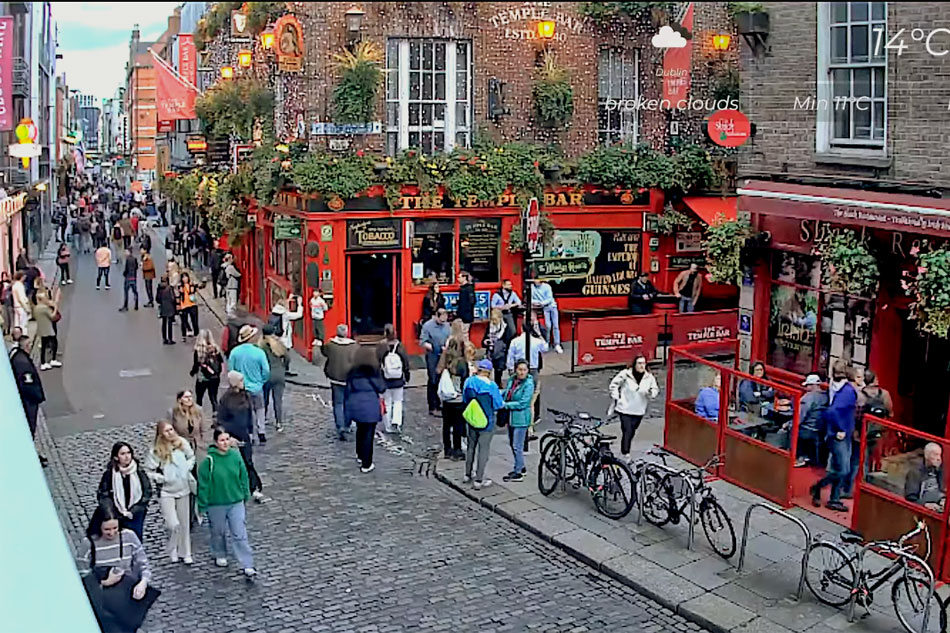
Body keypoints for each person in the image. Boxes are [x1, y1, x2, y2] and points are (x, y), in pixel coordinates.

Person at [80, 501, 158, 633]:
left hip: (126, 602)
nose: (111, 533)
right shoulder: (89, 544)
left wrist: (143, 583)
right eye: (107, 530)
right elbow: (81, 575)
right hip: (104, 607)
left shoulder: (129, 537)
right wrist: (105, 583)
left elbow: (143, 564)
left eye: (115, 528)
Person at [196, 426, 257, 578]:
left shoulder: (236, 456)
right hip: (216, 503)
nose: (225, 443)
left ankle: (247, 563)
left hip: (235, 501)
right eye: (222, 440)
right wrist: (202, 504)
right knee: (218, 531)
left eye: (227, 439)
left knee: (239, 533)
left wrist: (245, 493)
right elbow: (203, 485)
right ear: (216, 442)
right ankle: (219, 552)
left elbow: (243, 475)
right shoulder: (208, 462)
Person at [144, 420, 195, 564]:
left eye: (171, 429)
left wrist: (187, 468)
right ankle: (172, 548)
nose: (171, 433)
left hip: (183, 488)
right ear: (161, 434)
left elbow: (191, 457)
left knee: (184, 523)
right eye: (167, 431)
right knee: (173, 524)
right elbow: (149, 470)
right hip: (167, 491)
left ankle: (185, 552)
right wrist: (161, 478)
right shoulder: (156, 450)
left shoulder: (182, 443)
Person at [810, 361, 857, 513]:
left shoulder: (834, 386)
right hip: (840, 434)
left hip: (836, 433)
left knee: (842, 467)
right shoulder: (848, 391)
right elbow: (832, 411)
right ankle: (818, 487)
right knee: (843, 470)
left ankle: (834, 499)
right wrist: (841, 428)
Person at [843, 368, 894, 496]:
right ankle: (867, 489)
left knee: (858, 462)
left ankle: (851, 490)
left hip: (862, 433)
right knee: (875, 460)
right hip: (878, 432)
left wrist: (855, 432)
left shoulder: (859, 395)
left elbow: (854, 416)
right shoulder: (885, 394)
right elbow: (890, 412)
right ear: (875, 380)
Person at [218, 371, 264, 500]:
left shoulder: (246, 395)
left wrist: (251, 431)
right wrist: (227, 436)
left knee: (248, 461)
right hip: (232, 434)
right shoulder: (226, 399)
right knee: (233, 462)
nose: (243, 383)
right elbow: (221, 420)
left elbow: (250, 414)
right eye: (241, 381)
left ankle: (254, 487)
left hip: (244, 434)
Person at [97, 442, 153, 541]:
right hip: (117, 514)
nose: (127, 456)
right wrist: (111, 511)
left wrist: (135, 510)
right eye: (123, 454)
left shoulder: (138, 471)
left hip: (136, 514)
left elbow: (146, 492)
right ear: (116, 457)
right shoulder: (110, 474)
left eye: (128, 453)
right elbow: (103, 494)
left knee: (136, 538)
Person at [462, 359, 504, 490]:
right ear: (489, 372)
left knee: (470, 447)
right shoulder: (492, 386)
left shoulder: (469, 382)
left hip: (472, 419)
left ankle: (467, 474)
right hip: (487, 421)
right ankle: (479, 480)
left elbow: (465, 398)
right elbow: (498, 404)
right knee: (483, 450)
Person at [345, 347, 387, 473]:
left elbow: (348, 390)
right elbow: (381, 388)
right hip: (370, 405)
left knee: (360, 430)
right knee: (369, 433)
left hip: (356, 404)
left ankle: (360, 455)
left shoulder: (352, 372)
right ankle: (366, 463)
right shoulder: (374, 372)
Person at [9, 333, 49, 467]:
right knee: (29, 428)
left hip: (25, 401)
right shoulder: (23, 362)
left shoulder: (17, 356)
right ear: (26, 346)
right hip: (28, 402)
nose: (31, 346)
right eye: (30, 344)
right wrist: (38, 397)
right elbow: (28, 385)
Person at [609, 355, 660, 459]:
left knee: (632, 430)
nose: (642, 366)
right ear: (635, 364)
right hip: (624, 408)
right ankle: (625, 453)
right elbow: (614, 384)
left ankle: (626, 448)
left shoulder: (649, 377)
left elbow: (655, 389)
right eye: (639, 363)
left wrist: (651, 393)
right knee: (627, 430)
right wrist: (616, 396)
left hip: (638, 409)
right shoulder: (625, 374)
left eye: (644, 363)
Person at [228, 325, 270, 444]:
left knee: (246, 411)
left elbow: (231, 371)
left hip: (241, 388)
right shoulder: (259, 352)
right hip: (256, 386)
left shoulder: (235, 352)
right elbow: (266, 370)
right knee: (260, 408)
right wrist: (261, 381)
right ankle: (261, 431)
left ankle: (249, 433)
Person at [501, 360, 535, 483]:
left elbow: (523, 403)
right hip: (511, 418)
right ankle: (521, 466)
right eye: (520, 369)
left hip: (521, 419)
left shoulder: (529, 384)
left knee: (517, 445)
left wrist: (505, 405)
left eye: (524, 370)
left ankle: (518, 472)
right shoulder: (512, 380)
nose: (522, 372)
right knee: (512, 444)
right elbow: (507, 392)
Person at [438, 335, 471, 461]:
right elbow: (465, 382)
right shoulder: (462, 363)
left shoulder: (444, 362)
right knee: (457, 425)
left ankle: (447, 449)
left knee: (446, 425)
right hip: (458, 399)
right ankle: (457, 450)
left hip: (446, 400)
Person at [324, 323, 358, 440]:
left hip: (335, 377)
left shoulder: (331, 344)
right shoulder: (354, 346)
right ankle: (347, 425)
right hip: (349, 378)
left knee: (338, 403)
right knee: (348, 402)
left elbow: (324, 352)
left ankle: (340, 427)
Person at [376, 323, 410, 434]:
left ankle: (387, 425)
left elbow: (377, 362)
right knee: (398, 401)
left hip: (385, 378)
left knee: (387, 402)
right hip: (398, 378)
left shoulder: (381, 346)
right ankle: (397, 422)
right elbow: (405, 362)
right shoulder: (400, 346)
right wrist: (407, 374)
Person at [787, 374, 828, 467]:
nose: (805, 388)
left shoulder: (808, 398)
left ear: (813, 385)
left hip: (807, 429)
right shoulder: (825, 396)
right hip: (820, 430)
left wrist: (789, 424)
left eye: (807, 385)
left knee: (791, 428)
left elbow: (800, 417)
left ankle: (798, 457)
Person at [168, 389, 211, 468]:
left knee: (200, 467)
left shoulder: (198, 410)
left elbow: (205, 428)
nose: (189, 399)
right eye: (186, 397)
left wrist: (204, 442)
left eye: (190, 397)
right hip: (182, 444)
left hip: (197, 444)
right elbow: (171, 429)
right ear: (180, 400)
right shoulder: (173, 413)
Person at [420, 308, 451, 416]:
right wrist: (432, 347)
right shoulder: (428, 326)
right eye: (441, 320)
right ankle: (432, 406)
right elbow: (422, 341)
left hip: (444, 354)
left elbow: (449, 337)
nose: (443, 322)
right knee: (433, 380)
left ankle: (439, 403)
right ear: (436, 317)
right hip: (432, 355)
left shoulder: (447, 326)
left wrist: (447, 345)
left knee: (442, 379)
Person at [266, 295, 303, 376]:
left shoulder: (274, 311)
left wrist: (289, 299)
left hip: (276, 337)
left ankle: (278, 368)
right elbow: (298, 315)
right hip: (284, 339)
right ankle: (284, 370)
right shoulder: (285, 315)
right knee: (286, 356)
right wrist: (300, 305)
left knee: (277, 354)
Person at [261, 330, 289, 434]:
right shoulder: (279, 344)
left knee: (265, 397)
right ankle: (279, 423)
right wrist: (284, 367)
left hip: (266, 374)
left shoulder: (261, 346)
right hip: (279, 374)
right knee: (278, 400)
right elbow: (287, 358)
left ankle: (263, 418)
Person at [904, 443, 945, 511]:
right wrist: (925, 505)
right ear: (926, 456)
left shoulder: (938, 470)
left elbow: (941, 489)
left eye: (940, 455)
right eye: (935, 455)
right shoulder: (915, 472)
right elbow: (910, 498)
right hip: (924, 509)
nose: (939, 458)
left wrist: (943, 500)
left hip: (938, 505)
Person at [190, 330, 223, 413]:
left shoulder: (199, 350)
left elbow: (196, 365)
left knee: (199, 398)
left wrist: (192, 372)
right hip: (214, 377)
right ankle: (216, 416)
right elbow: (220, 362)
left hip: (202, 378)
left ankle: (198, 416)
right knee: (213, 397)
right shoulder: (215, 349)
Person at [531, 279, 563, 353]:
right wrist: (538, 303)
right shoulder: (532, 287)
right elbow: (531, 299)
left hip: (552, 306)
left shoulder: (547, 286)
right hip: (545, 308)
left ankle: (557, 344)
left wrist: (541, 303)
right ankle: (547, 343)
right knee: (548, 326)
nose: (536, 281)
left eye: (538, 280)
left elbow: (549, 298)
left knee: (555, 326)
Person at [482, 308, 510, 387]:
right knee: (487, 369)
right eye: (492, 319)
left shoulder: (505, 327)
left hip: (500, 352)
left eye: (495, 319)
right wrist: (485, 342)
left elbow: (508, 340)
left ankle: (498, 383)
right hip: (490, 351)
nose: (493, 322)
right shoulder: (489, 327)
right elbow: (483, 339)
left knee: (498, 370)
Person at [34, 294, 61, 370]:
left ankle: (43, 362)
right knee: (54, 342)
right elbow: (52, 316)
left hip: (41, 328)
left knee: (43, 345)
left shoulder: (36, 308)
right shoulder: (44, 308)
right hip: (48, 328)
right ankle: (53, 359)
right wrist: (55, 307)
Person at [177, 272, 199, 339]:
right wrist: (178, 305)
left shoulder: (191, 285)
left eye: (186, 277)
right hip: (184, 305)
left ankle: (196, 333)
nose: (185, 279)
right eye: (183, 277)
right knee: (184, 321)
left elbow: (198, 288)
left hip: (192, 304)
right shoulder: (180, 287)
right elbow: (178, 296)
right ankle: (183, 335)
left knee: (194, 320)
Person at [156, 275, 177, 345]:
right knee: (170, 324)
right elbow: (173, 298)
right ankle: (170, 339)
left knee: (164, 323)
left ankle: (164, 339)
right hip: (170, 307)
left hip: (163, 307)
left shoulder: (159, 288)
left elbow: (157, 299)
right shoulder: (170, 288)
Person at [456, 271, 476, 339]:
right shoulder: (463, 288)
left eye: (459, 277)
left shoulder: (468, 288)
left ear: (464, 278)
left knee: (464, 334)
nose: (458, 279)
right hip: (462, 315)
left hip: (466, 316)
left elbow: (471, 301)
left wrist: (466, 313)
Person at [0, 271, 13, 336]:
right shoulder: (1, 285)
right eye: (3, 276)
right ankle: (5, 330)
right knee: (5, 317)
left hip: (10, 302)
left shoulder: (10, 284)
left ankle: (9, 329)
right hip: (3, 302)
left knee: (10, 317)